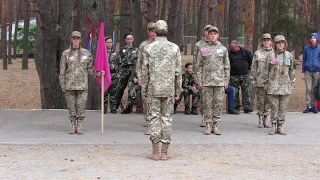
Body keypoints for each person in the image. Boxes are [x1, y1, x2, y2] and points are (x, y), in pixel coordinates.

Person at [141, 20, 182, 161]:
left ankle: (155, 152)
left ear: (155, 31)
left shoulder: (148, 48)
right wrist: (178, 90)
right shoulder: (174, 48)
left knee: (153, 118)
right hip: (169, 89)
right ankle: (164, 152)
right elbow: (178, 72)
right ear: (166, 31)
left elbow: (144, 73)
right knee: (167, 118)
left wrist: (144, 91)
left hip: (153, 89)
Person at [59, 31, 103, 135]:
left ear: (80, 40)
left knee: (81, 106)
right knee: (71, 107)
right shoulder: (66, 53)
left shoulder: (86, 53)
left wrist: (99, 73)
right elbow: (62, 71)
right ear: (71, 39)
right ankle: (72, 125)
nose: (75, 40)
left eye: (77, 38)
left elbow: (90, 69)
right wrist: (62, 84)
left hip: (82, 85)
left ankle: (79, 125)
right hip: (70, 85)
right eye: (74, 38)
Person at [194, 26, 230, 135]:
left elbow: (226, 66)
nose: (213, 35)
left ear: (218, 35)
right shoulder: (203, 49)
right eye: (211, 34)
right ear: (207, 35)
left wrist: (226, 80)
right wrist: (199, 81)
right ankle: (209, 125)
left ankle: (216, 125)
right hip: (206, 82)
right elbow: (198, 66)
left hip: (219, 82)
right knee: (207, 104)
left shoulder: (223, 49)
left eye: (215, 34)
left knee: (218, 104)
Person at [264, 35, 295, 135]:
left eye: (282, 42)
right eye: (278, 42)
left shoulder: (289, 55)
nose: (280, 44)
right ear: (275, 44)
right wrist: (266, 84)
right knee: (274, 107)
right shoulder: (270, 56)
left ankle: (280, 126)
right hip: (273, 86)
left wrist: (292, 84)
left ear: (284, 44)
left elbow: (292, 71)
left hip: (285, 87)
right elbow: (265, 71)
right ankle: (273, 126)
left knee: (282, 108)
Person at [135, 22, 157, 135]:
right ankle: (149, 123)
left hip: (158, 77)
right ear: (148, 32)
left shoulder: (160, 44)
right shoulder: (143, 45)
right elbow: (139, 62)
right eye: (151, 31)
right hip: (146, 76)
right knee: (147, 100)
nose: (153, 33)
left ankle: (156, 123)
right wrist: (139, 77)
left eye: (155, 31)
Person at [250, 33, 273, 128]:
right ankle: (260, 119)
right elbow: (253, 67)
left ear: (271, 42)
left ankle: (266, 119)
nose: (266, 42)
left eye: (268, 40)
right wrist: (253, 80)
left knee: (268, 101)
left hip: (271, 82)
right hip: (259, 81)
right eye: (264, 40)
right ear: (262, 42)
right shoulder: (257, 53)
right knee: (260, 101)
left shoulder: (274, 53)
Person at [193, 24, 213, 127]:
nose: (208, 32)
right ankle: (204, 118)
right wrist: (197, 77)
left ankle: (212, 119)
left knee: (213, 99)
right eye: (207, 30)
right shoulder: (198, 45)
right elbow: (195, 60)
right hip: (203, 75)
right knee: (204, 98)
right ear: (204, 32)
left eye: (210, 31)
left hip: (214, 76)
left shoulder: (216, 44)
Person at [115, 33, 138, 114]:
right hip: (123, 70)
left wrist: (136, 75)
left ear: (133, 39)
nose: (129, 40)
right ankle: (115, 106)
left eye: (130, 39)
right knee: (120, 88)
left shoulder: (136, 50)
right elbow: (118, 61)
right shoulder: (122, 50)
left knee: (131, 89)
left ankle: (129, 107)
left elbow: (138, 62)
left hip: (132, 71)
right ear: (125, 40)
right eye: (127, 39)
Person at [229, 40, 253, 113]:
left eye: (234, 48)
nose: (233, 50)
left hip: (245, 74)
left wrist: (247, 68)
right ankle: (236, 106)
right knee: (235, 91)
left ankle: (247, 107)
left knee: (246, 90)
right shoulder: (229, 53)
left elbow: (251, 60)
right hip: (234, 75)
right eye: (231, 48)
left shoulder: (246, 51)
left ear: (238, 46)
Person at [302, 33, 320, 113]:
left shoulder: (319, 48)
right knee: (308, 89)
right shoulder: (306, 48)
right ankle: (308, 106)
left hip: (317, 71)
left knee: (314, 89)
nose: (313, 39)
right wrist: (302, 72)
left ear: (317, 39)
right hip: (308, 71)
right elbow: (304, 60)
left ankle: (313, 106)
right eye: (311, 38)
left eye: (314, 38)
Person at [104, 36, 120, 114]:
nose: (109, 44)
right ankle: (104, 108)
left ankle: (113, 108)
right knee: (105, 93)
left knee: (114, 92)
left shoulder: (116, 53)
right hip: (105, 76)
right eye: (108, 42)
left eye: (110, 42)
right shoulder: (102, 54)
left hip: (114, 75)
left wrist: (118, 74)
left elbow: (119, 64)